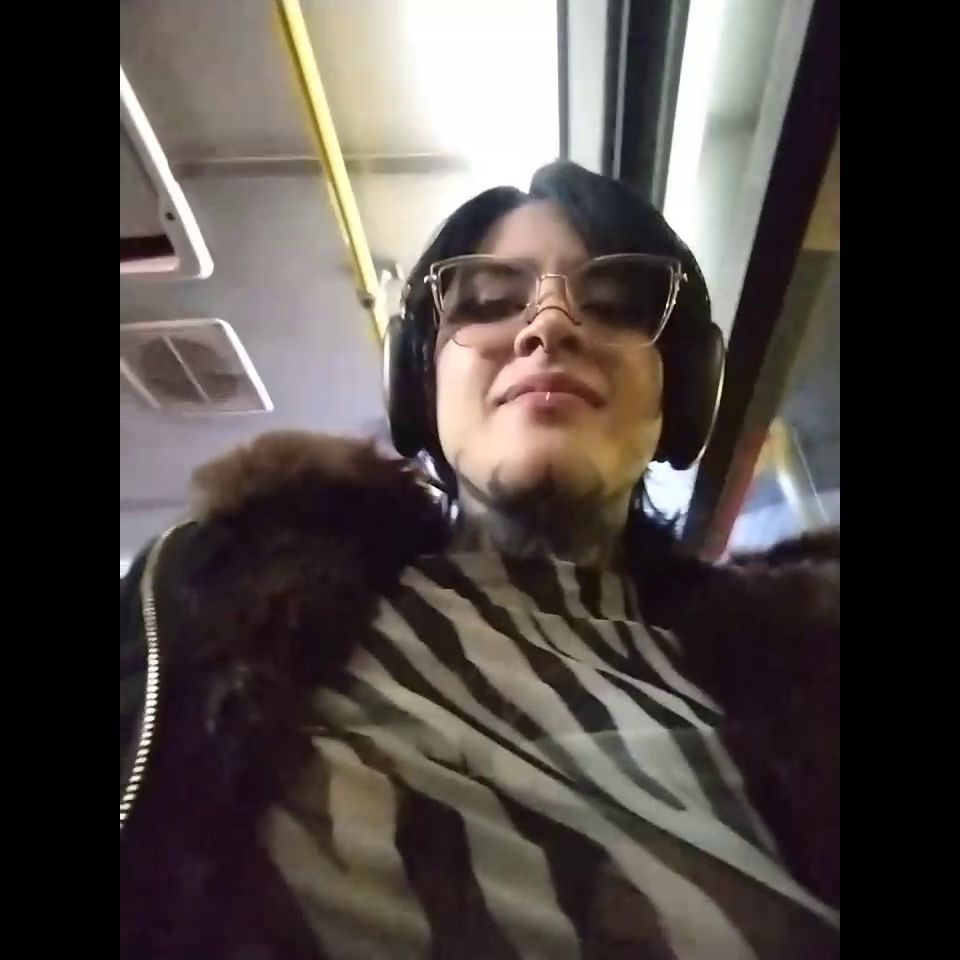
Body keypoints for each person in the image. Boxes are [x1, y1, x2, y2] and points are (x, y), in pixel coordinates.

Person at [120, 161, 839, 958]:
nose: (550, 327)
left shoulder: (809, 666)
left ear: (685, 388)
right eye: (491, 301)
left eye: (613, 305)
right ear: (419, 380)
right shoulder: (202, 598)